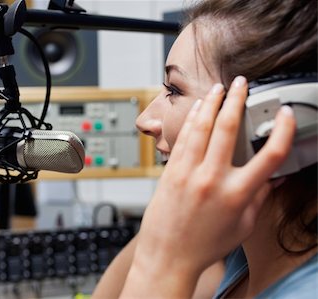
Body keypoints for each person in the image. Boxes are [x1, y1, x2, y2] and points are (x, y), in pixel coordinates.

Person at [92, 0, 317, 298]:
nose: (144, 120)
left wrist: (165, 262)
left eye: (174, 90)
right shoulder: (238, 255)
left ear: (269, 118)